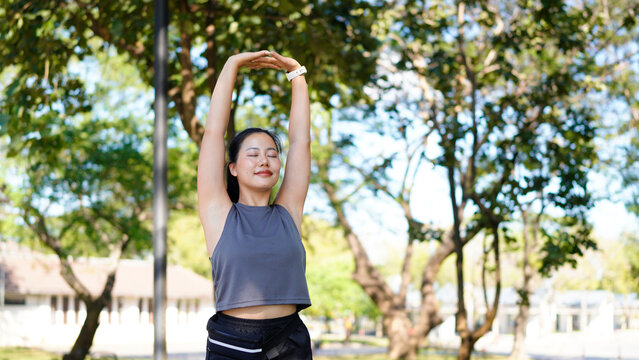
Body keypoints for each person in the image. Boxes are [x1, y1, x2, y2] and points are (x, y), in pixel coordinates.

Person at [197, 50, 312, 360]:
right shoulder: (218, 213)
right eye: (252, 154)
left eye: (272, 154)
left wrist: (296, 74)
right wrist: (232, 64)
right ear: (232, 167)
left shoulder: (289, 211)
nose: (265, 159)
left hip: (290, 340)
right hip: (234, 341)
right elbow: (213, 133)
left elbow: (300, 140)